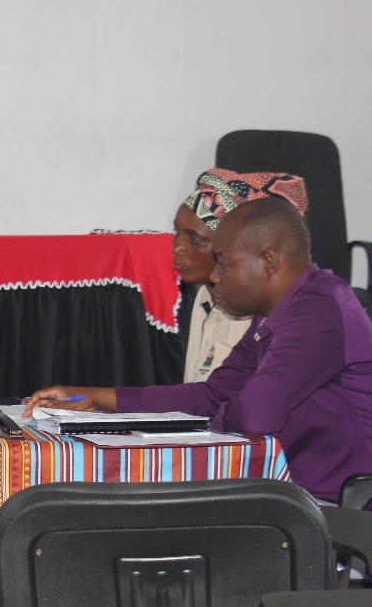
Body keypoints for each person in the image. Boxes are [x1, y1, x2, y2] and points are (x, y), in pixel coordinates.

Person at [24, 197, 372, 503]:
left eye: (225, 263)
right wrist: (101, 399)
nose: (216, 277)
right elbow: (213, 393)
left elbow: (255, 418)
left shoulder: (319, 309)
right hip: (292, 490)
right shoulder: (278, 311)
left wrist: (197, 420)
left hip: (337, 503)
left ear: (268, 261)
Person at [175, 169, 308, 381]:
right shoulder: (204, 295)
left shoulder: (252, 311)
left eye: (195, 239)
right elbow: (198, 391)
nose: (178, 248)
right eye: (177, 234)